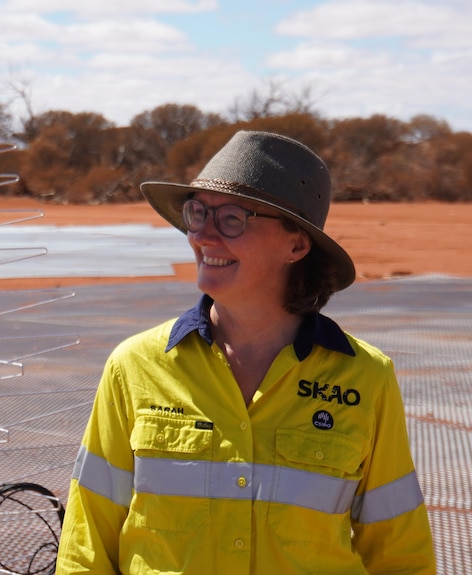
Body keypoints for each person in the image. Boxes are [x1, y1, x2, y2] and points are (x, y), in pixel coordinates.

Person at [55, 131, 435, 574]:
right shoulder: (134, 365)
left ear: (296, 244)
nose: (204, 237)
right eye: (197, 214)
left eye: (232, 218)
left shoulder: (366, 377)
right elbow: (87, 543)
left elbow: (399, 553)